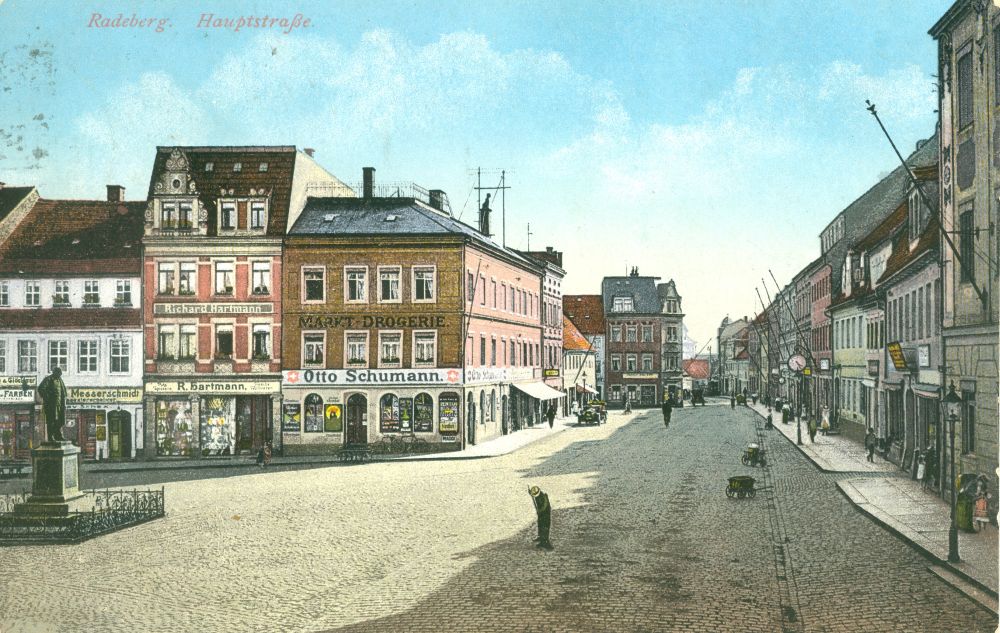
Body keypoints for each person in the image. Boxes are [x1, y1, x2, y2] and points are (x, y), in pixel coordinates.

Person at [37, 367, 68, 442]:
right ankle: (50, 437)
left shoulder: (60, 380)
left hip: (59, 404)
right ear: (54, 372)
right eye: (58, 373)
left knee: (60, 421)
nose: (60, 375)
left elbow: (63, 391)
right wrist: (47, 397)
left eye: (60, 373)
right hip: (51, 405)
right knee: (51, 421)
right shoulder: (48, 379)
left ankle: (58, 435)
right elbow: (41, 388)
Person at [529, 485, 553, 550]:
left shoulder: (543, 497)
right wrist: (530, 493)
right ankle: (541, 538)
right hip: (541, 514)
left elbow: (544, 506)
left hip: (545, 514)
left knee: (544, 527)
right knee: (540, 525)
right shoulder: (538, 495)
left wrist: (539, 511)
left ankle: (545, 542)